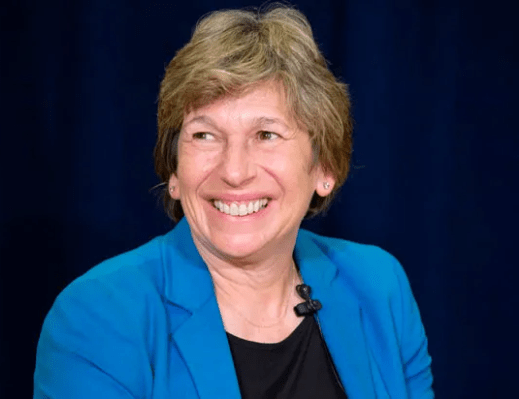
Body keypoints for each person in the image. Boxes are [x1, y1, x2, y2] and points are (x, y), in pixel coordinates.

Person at [33, 4, 433, 399]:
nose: (235, 171)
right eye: (205, 136)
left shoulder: (379, 286)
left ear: (324, 167)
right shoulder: (97, 317)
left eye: (266, 135)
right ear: (174, 172)